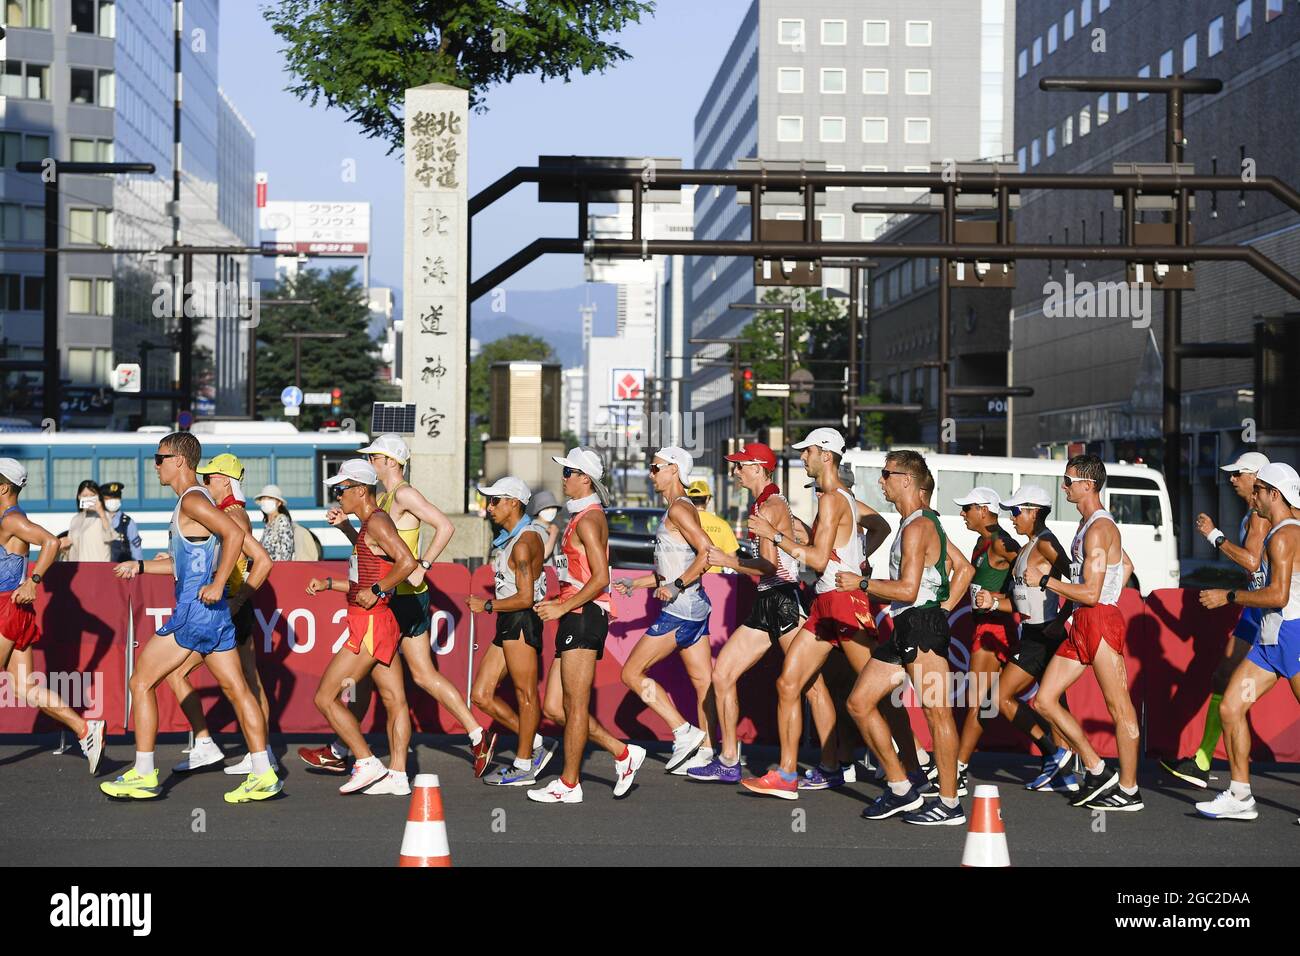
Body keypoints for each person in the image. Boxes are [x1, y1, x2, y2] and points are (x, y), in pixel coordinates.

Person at [102, 433, 279, 803]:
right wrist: (140, 566)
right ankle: (263, 772)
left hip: (194, 612)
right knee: (238, 690)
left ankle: (145, 773)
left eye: (159, 457)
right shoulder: (196, 502)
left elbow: (233, 535)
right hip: (213, 615)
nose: (155, 465)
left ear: (179, 460)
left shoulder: (194, 500)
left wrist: (218, 583)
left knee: (140, 683)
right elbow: (195, 565)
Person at [298, 434, 488, 774]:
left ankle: (474, 734)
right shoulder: (385, 498)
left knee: (420, 676)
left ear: (391, 461)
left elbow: (444, 526)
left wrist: (423, 566)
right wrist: (345, 528)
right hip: (390, 597)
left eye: (375, 457)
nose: (371, 462)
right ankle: (344, 748)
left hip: (405, 598)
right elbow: (373, 550)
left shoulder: (403, 493)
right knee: (367, 678)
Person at [740, 429, 886, 799]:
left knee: (870, 694)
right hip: (824, 603)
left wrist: (775, 536)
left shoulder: (834, 498)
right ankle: (788, 774)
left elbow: (820, 559)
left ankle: (911, 773)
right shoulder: (838, 498)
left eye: (806, 452)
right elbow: (869, 531)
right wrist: (857, 556)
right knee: (790, 684)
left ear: (825, 455)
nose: (802, 458)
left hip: (842, 603)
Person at [688, 442, 840, 786]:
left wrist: (727, 560)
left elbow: (769, 564)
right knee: (723, 675)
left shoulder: (770, 505)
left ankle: (829, 766)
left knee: (812, 687)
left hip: (784, 601)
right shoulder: (765, 503)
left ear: (758, 468)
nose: (735, 472)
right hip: (768, 601)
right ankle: (728, 759)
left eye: (740, 466)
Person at [845, 450, 967, 824]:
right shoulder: (918, 522)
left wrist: (862, 583)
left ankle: (949, 804)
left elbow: (908, 590)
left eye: (886, 475)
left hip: (920, 625)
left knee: (937, 714)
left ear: (906, 480)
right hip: (909, 626)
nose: (881, 482)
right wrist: (945, 608)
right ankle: (901, 788)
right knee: (859, 703)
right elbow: (963, 568)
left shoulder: (917, 527)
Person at [1024, 454, 1143, 812]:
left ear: (1088, 485)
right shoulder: (1086, 525)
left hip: (1099, 619)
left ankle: (1130, 789)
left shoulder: (1099, 528)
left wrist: (1046, 581)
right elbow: (1127, 565)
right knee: (1043, 700)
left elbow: (1091, 592)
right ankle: (1096, 767)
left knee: (1118, 707)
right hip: (1083, 620)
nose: (1064, 487)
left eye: (1068, 480)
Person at [529, 447, 645, 804]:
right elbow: (577, 577)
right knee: (553, 708)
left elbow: (599, 580)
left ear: (585, 479)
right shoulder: (579, 517)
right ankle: (622, 753)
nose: (563, 478)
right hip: (574, 614)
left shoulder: (591, 519)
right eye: (563, 472)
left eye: (569, 473)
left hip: (585, 616)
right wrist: (558, 602)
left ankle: (569, 784)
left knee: (575, 706)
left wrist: (562, 605)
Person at [305, 458, 418, 796]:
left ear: (360, 490)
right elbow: (365, 579)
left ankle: (366, 761)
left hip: (369, 624)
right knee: (393, 698)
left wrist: (379, 590)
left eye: (341, 490)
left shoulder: (379, 522)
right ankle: (398, 775)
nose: (337, 496)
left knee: (325, 697)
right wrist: (330, 583)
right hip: (376, 621)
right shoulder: (369, 525)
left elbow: (407, 563)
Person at [158, 454, 276, 776]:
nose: (204, 482)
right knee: (246, 684)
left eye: (208, 478)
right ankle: (259, 755)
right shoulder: (227, 512)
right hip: (228, 604)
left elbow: (261, 563)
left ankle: (217, 745)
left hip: (225, 606)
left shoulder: (233, 515)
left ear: (224, 480)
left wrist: (237, 599)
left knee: (228, 682)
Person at [1195, 462, 1300, 822]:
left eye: (1259, 490)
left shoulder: (1285, 534)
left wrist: (1229, 597)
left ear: (1274, 494)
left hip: (1293, 634)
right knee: (1231, 708)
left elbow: (1279, 596)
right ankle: (1240, 795)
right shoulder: (1279, 532)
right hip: (1272, 639)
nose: (1252, 494)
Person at [1162, 452, 1271, 788]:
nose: (1231, 479)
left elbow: (1252, 563)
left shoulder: (1261, 514)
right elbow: (1256, 570)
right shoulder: (1254, 512)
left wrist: (1214, 536)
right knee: (1224, 678)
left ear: (1256, 476)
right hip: (1257, 608)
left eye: (1238, 474)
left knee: (1235, 690)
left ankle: (1225, 778)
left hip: (1276, 611)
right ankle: (1203, 761)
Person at [0, 458, 106, 774]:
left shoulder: (11, 520)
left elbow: (50, 542)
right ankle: (86, 730)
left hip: (7, 606)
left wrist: (34, 582)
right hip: (14, 608)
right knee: (24, 688)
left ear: (3, 487)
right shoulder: (9, 519)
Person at [614, 446, 715, 773]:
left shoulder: (679, 510)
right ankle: (707, 751)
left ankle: (682, 730)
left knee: (630, 673)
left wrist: (676, 586)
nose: (651, 473)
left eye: (655, 468)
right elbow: (674, 567)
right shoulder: (679, 508)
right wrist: (638, 584)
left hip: (680, 610)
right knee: (703, 682)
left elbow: (707, 553)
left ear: (674, 469)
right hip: (696, 609)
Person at [972, 485, 1079, 792]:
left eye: (1016, 512)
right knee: (1052, 703)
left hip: (1046, 635)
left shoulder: (1045, 543)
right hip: (1033, 633)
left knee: (1003, 697)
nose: (1012, 518)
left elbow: (1076, 582)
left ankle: (1057, 755)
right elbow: (1020, 601)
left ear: (1034, 512)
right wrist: (992, 602)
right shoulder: (1029, 546)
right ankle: (1064, 770)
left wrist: (1060, 620)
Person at [468, 477, 556, 786]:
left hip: (520, 620)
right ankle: (534, 744)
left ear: (513, 503)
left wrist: (487, 606)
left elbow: (525, 597)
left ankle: (523, 765)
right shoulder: (513, 538)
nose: (489, 507)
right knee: (480, 695)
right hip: (510, 621)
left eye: (495, 501)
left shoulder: (523, 543)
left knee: (525, 694)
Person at [951, 486, 1020, 797]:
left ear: (983, 509)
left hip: (995, 629)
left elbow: (1033, 575)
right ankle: (1056, 755)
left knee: (979, 702)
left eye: (967, 508)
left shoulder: (1002, 542)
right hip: (985, 627)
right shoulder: (982, 541)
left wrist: (998, 599)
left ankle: (958, 769)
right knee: (1001, 701)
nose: (963, 514)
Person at [685, 477, 740, 573]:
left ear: (689, 499)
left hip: (687, 578)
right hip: (714, 580)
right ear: (707, 499)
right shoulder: (723, 525)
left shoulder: (682, 522)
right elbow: (732, 558)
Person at [61, 480, 115, 561]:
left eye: (92, 495)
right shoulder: (76, 519)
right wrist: (64, 546)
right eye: (85, 495)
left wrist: (101, 512)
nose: (89, 498)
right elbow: (70, 548)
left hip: (98, 567)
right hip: (79, 568)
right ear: (79, 497)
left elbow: (109, 537)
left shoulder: (104, 516)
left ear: (98, 496)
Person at [100, 482, 143, 564]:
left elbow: (136, 551)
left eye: (116, 498)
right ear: (102, 500)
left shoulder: (128, 522)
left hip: (122, 571)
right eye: (108, 498)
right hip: (100, 569)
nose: (112, 501)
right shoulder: (96, 520)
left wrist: (139, 568)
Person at [254, 484, 296, 562]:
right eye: (263, 498)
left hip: (278, 570)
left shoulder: (282, 521)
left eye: (270, 498)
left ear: (279, 503)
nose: (266, 501)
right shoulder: (268, 523)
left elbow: (286, 552)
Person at [527, 489, 563, 563]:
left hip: (556, 572)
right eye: (546, 508)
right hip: (545, 573)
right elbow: (543, 554)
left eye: (553, 507)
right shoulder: (533, 530)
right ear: (538, 510)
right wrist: (553, 535)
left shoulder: (554, 528)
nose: (551, 510)